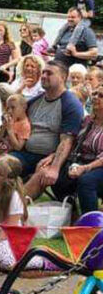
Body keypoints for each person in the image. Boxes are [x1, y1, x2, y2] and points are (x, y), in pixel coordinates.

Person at [18, 61, 84, 199]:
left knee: (42, 174)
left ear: (63, 78)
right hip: (25, 153)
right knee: (0, 165)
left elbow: (67, 141)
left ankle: (13, 211)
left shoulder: (70, 104)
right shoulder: (35, 101)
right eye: (43, 72)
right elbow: (17, 122)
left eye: (49, 73)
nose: (43, 76)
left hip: (49, 158)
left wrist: (54, 168)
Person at [64, 85, 103, 214]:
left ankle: (91, 224)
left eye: (101, 96)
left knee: (86, 181)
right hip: (82, 161)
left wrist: (84, 168)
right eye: (95, 94)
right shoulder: (87, 121)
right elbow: (73, 142)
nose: (96, 97)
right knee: (58, 176)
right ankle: (72, 214)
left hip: (99, 165)